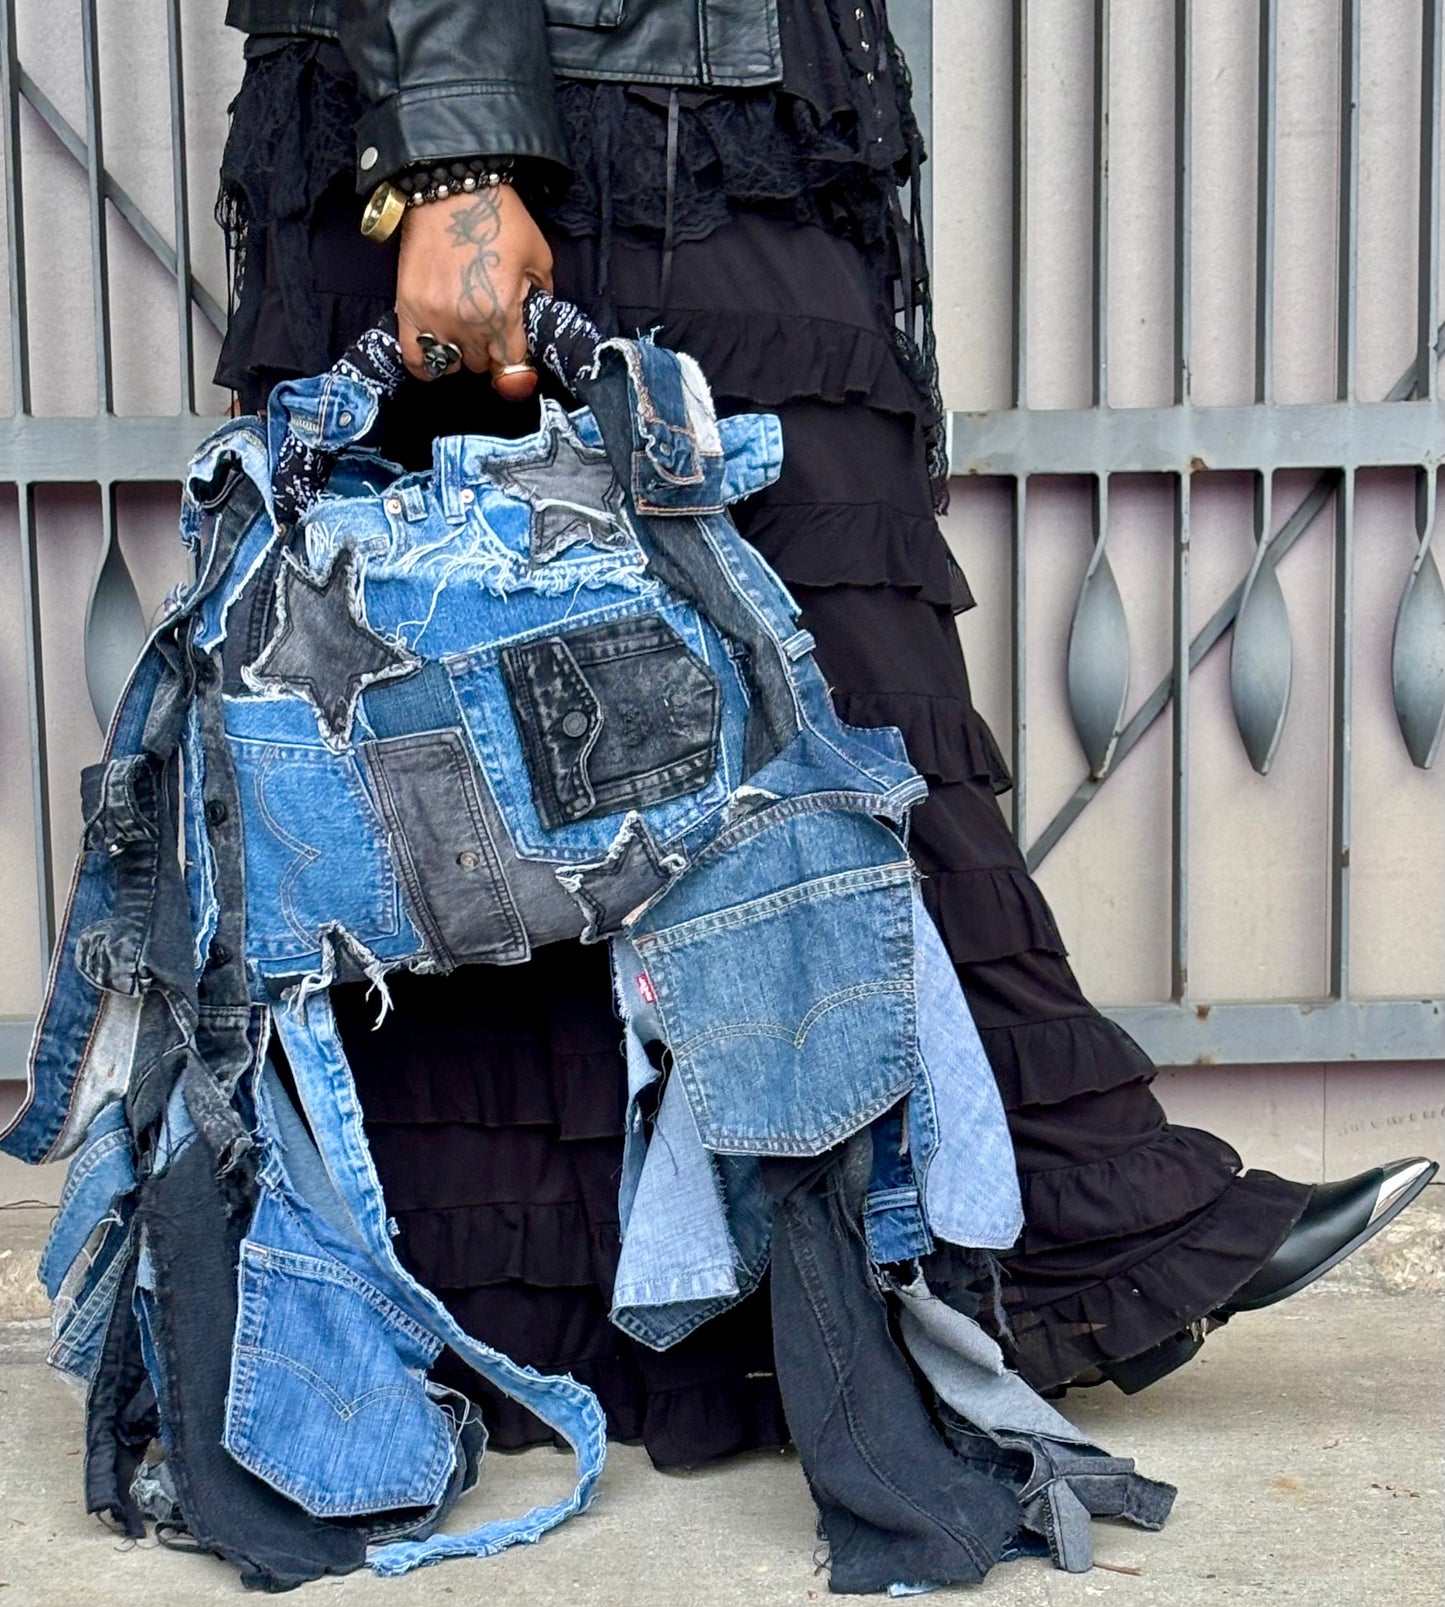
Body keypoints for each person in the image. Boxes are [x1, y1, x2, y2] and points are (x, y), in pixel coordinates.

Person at [214, 0, 1435, 1458]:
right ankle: (1060, 1209)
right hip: (547, 101)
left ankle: (957, 1240)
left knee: (586, 727)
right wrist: (457, 156)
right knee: (499, 733)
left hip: (689, 93)